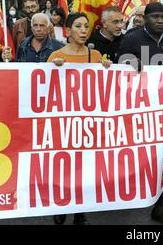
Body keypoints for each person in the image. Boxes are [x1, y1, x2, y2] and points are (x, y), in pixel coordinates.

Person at [116, 2, 163, 225]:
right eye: (155, 16)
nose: (160, 21)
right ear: (145, 18)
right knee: (138, 156)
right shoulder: (132, 39)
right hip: (139, 109)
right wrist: (130, 61)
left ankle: (159, 207)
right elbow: (120, 63)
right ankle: (131, 195)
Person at [48, 12, 111, 225]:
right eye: (78, 26)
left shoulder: (96, 57)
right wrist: (51, 71)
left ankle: (80, 211)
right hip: (62, 125)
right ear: (68, 30)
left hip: (88, 125)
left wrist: (107, 71)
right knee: (63, 167)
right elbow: (45, 92)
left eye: (86, 26)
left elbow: (104, 91)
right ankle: (60, 206)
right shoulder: (56, 56)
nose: (84, 30)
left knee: (84, 169)